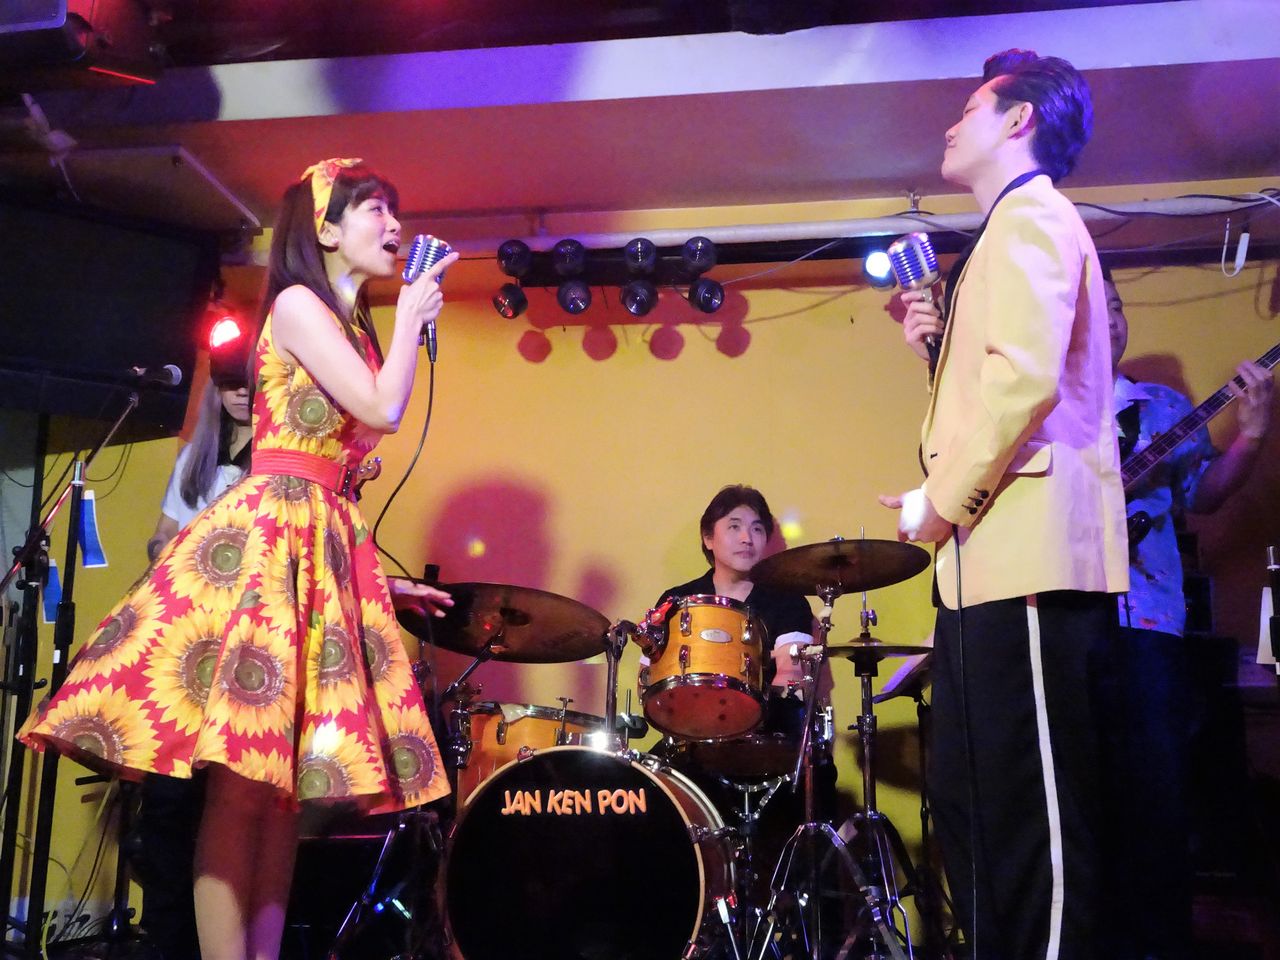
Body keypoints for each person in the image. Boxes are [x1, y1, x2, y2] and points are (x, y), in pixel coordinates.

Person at [20, 157, 458, 960]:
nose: (395, 225)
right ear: (325, 227)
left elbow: (343, 461)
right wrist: (408, 323)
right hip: (269, 534)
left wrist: (377, 583)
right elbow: (381, 408)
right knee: (241, 783)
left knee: (279, 795)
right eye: (375, 209)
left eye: (394, 211)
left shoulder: (351, 329)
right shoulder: (296, 304)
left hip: (318, 540)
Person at [879, 50, 1128, 960]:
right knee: (976, 805)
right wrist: (936, 360)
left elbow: (1025, 386)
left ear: (1019, 119)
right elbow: (1003, 389)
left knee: (1034, 824)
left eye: (971, 108)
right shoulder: (1001, 234)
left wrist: (940, 504)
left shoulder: (1032, 216)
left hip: (1024, 565)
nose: (952, 125)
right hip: (984, 570)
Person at [1103, 268, 1274, 960]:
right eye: (1095, 308)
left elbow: (1205, 494)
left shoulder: (1161, 407)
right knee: (1087, 796)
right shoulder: (1040, 411)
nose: (1112, 319)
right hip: (1061, 624)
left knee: (1159, 790)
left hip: (1149, 621)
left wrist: (1252, 436)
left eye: (1118, 307)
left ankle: (1159, 943)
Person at [135, 350, 252, 960]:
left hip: (247, 646)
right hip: (187, 639)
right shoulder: (196, 459)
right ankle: (167, 937)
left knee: (223, 798)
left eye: (248, 384)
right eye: (228, 384)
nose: (239, 393)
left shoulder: (276, 462)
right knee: (167, 796)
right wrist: (167, 548)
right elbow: (161, 534)